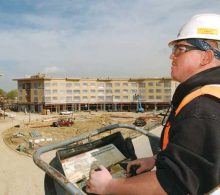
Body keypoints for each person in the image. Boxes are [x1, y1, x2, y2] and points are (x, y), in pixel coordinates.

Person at [86, 13, 220, 195]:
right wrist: (157, 160)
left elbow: (172, 185)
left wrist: (108, 187)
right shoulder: (211, 95)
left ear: (206, 57)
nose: (172, 56)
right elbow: (206, 154)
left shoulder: (202, 108)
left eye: (180, 49)